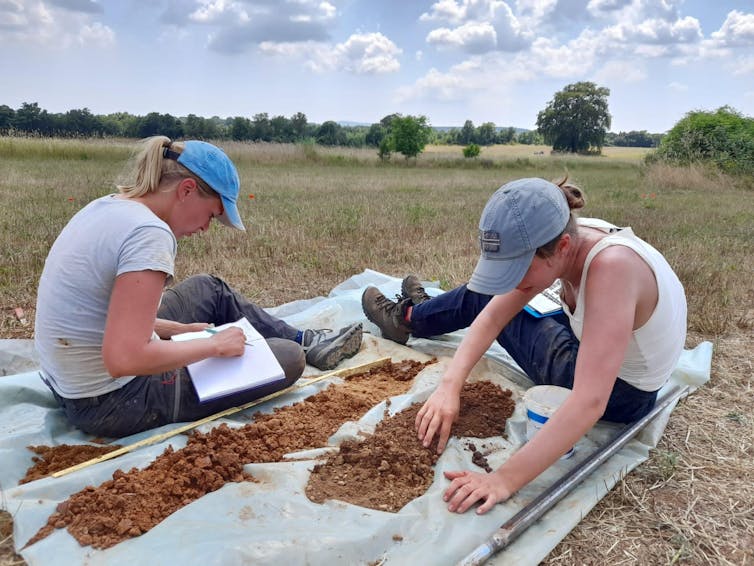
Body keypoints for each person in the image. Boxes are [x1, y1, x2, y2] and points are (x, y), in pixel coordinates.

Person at [362, 177, 687, 515]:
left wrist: (502, 480)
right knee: (497, 295)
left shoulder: (611, 269)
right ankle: (422, 312)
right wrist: (448, 387)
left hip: (624, 395)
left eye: (517, 270)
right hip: (611, 352)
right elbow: (492, 317)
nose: (512, 281)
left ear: (562, 247)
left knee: (488, 298)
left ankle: (410, 317)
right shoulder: (573, 235)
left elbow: (590, 401)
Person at [35, 136, 362, 438]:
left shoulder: (108, 206)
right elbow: (124, 358)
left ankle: (306, 340)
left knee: (209, 288)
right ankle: (298, 347)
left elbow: (98, 312)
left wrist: (176, 329)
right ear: (187, 190)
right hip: (112, 402)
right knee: (287, 359)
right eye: (211, 214)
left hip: (70, 385)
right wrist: (213, 346)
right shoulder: (149, 234)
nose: (206, 228)